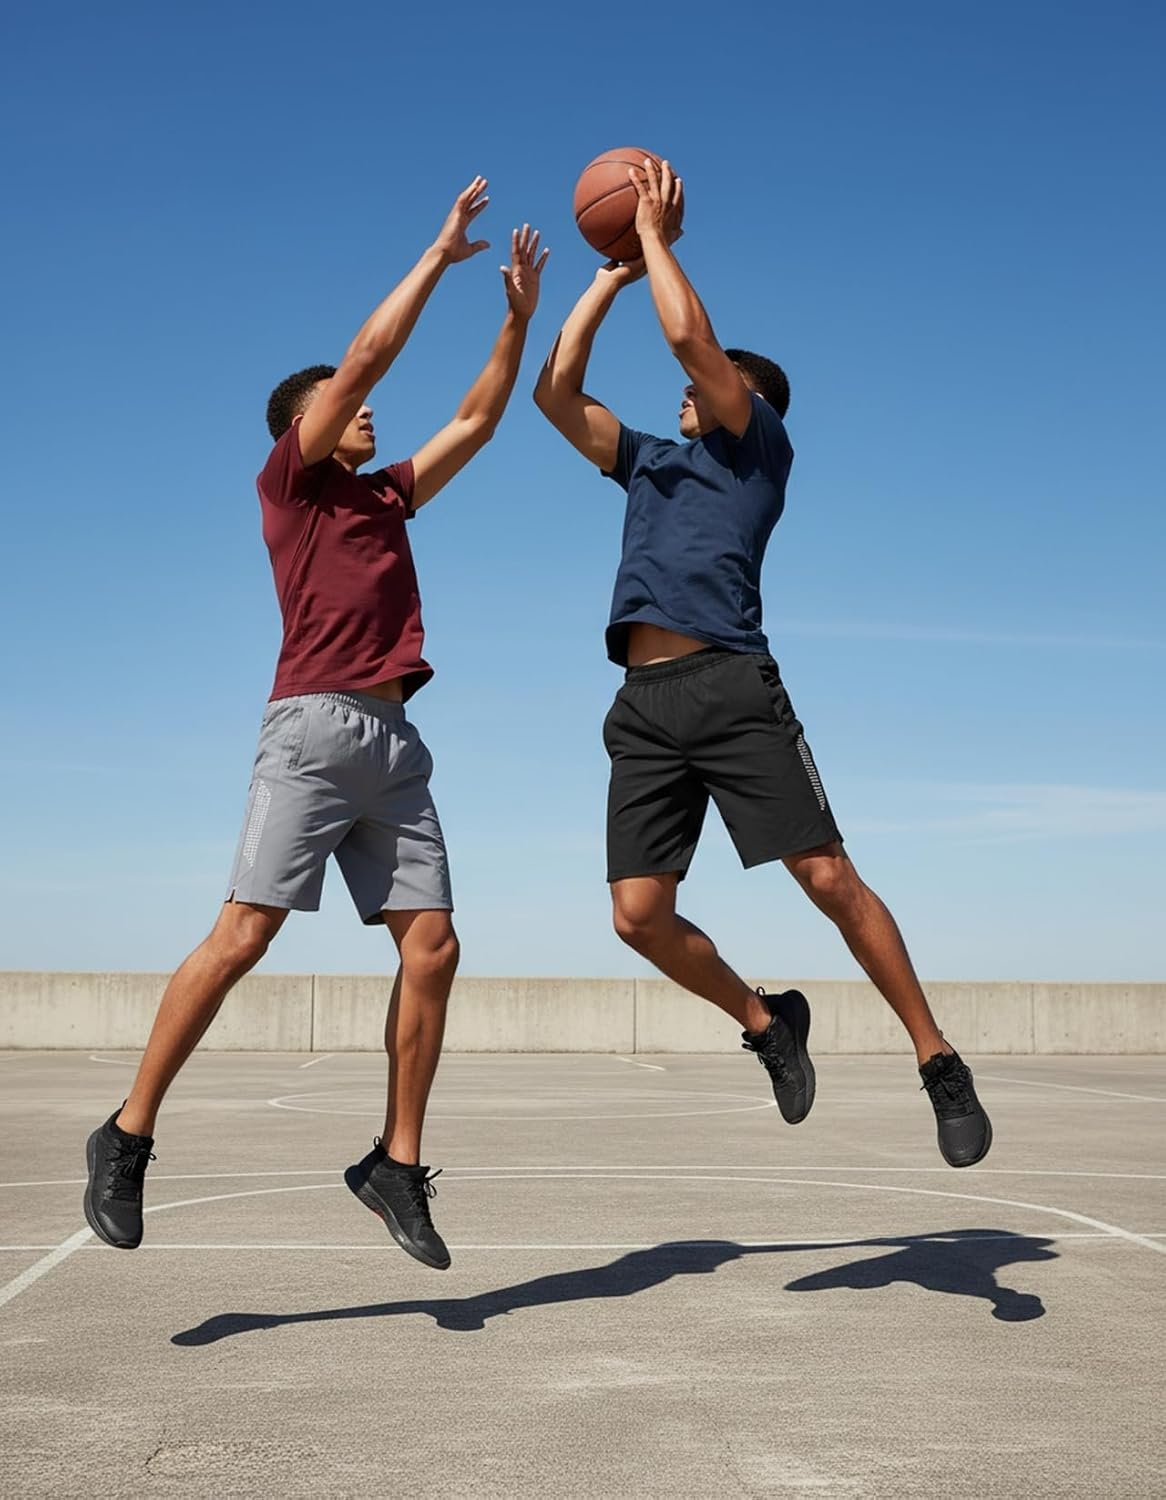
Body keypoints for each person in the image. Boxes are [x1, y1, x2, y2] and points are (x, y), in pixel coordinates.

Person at [83, 180, 549, 1270]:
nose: (368, 411)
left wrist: (516, 319)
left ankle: (395, 1162)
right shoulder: (291, 486)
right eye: (344, 403)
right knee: (245, 934)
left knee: (434, 946)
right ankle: (128, 1133)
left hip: (394, 744)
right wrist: (436, 257)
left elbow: (477, 420)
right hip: (310, 730)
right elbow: (367, 359)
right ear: (308, 425)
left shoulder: (386, 496)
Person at [533, 158, 990, 1168]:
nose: (684, 394)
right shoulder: (648, 461)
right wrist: (608, 275)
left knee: (826, 876)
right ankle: (765, 1021)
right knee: (636, 917)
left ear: (745, 398)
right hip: (643, 703)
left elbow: (690, 341)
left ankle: (936, 1057)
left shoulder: (757, 451)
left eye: (707, 387)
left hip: (732, 687)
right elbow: (554, 393)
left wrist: (653, 239)